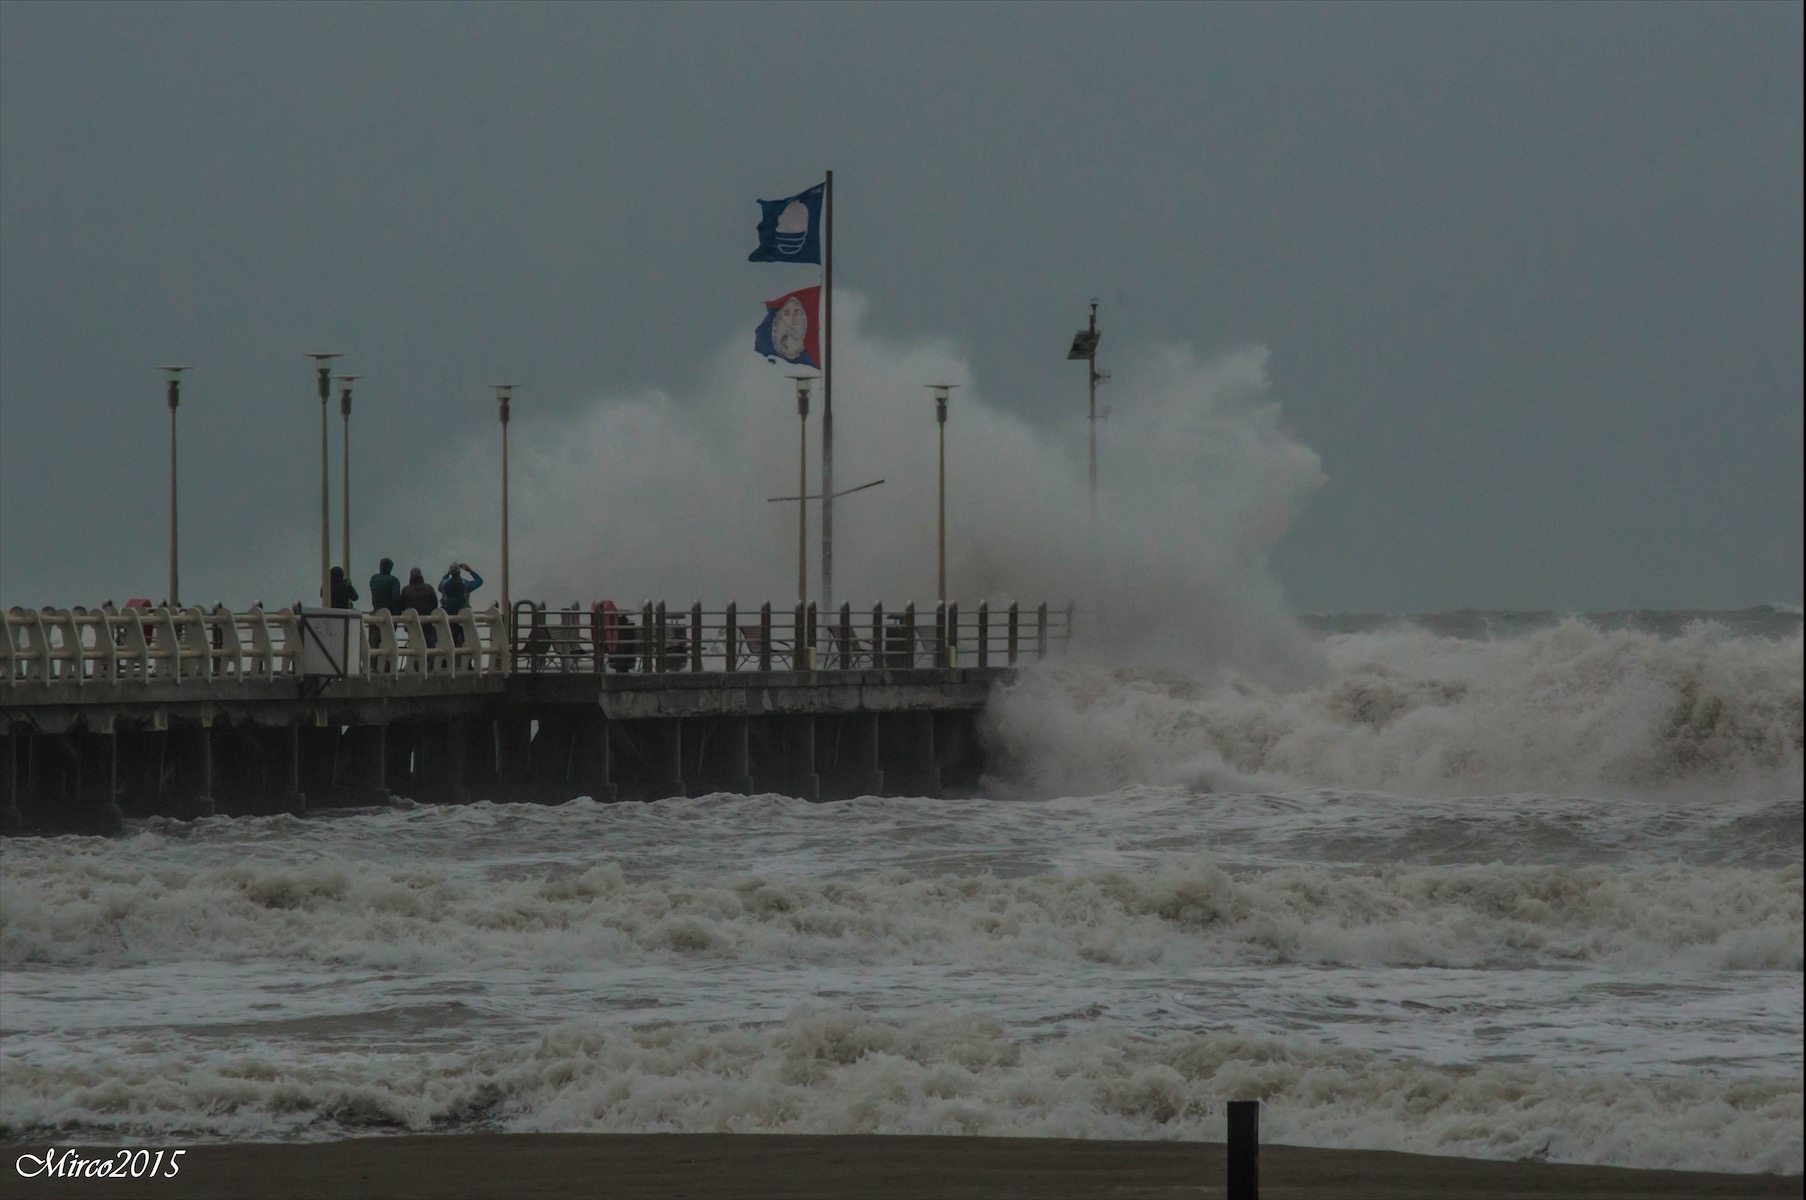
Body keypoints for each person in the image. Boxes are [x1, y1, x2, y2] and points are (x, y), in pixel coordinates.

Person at [439, 562, 482, 648]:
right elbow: (479, 581)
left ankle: (448, 659)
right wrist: (470, 570)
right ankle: (467, 658)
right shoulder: (466, 584)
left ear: (451, 573)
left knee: (450, 639)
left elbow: (440, 586)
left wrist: (447, 574)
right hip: (463, 615)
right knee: (465, 639)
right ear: (459, 572)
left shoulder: (444, 585)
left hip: (449, 615)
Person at [399, 566, 439, 648]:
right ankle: (429, 660)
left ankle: (416, 660)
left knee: (415, 645)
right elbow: (435, 605)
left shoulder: (405, 590)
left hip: (412, 623)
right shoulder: (429, 588)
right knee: (430, 646)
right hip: (427, 622)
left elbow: (402, 606)